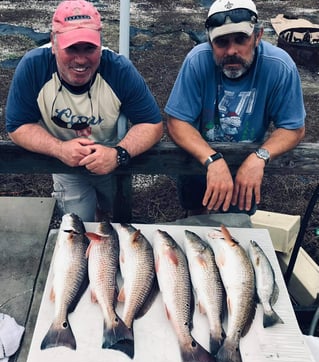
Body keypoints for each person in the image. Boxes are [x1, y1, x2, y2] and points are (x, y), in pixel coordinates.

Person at [6, 0, 163, 222]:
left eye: (89, 48)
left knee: (114, 216)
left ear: (100, 43)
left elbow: (152, 124)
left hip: (110, 158)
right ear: (53, 42)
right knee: (78, 224)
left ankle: (103, 213)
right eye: (71, 48)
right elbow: (17, 126)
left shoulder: (119, 69)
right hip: (64, 162)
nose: (81, 59)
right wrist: (59, 149)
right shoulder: (33, 67)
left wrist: (118, 154)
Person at [165, 0, 305, 217]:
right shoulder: (197, 61)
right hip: (198, 157)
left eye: (241, 39)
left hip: (246, 163)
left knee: (237, 222)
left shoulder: (280, 66)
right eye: (221, 42)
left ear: (257, 36)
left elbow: (293, 127)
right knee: (196, 216)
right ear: (210, 42)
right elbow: (177, 121)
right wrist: (212, 160)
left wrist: (260, 156)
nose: (231, 51)